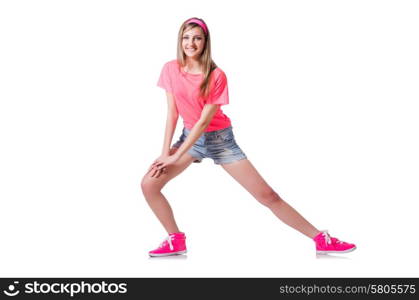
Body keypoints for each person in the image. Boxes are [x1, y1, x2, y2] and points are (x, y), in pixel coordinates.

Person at [141, 17, 356, 257]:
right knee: (149, 184)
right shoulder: (171, 68)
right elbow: (172, 113)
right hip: (190, 137)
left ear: (205, 42)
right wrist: (165, 153)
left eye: (197, 38)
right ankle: (175, 240)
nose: (191, 43)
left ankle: (321, 239)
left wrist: (175, 156)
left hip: (219, 140)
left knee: (267, 195)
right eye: (186, 38)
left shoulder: (216, 75)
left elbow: (203, 122)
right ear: (180, 40)